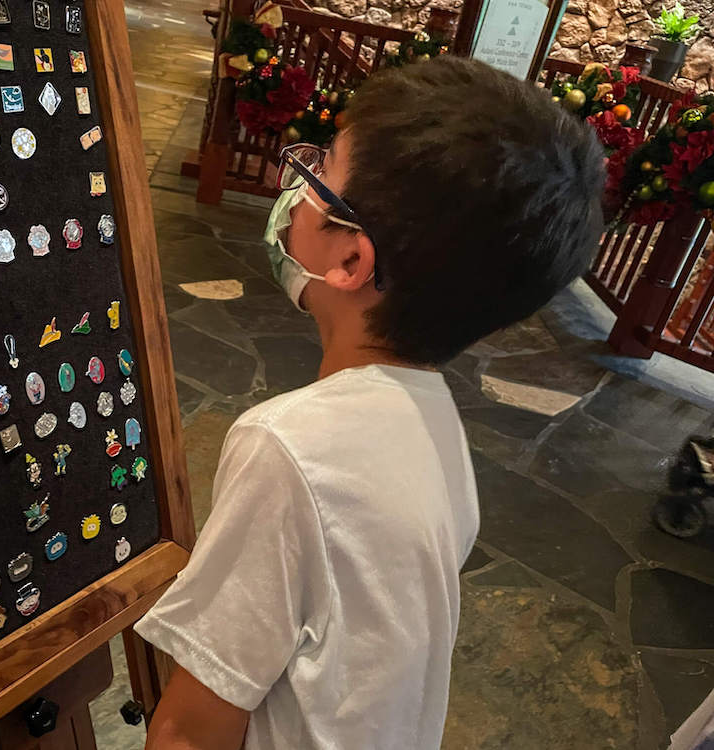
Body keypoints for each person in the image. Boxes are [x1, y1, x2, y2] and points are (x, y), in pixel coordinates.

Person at [134, 55, 604, 749]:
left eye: (322, 167)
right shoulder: (436, 426)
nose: (293, 182)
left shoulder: (289, 447)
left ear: (351, 260)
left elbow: (190, 732)